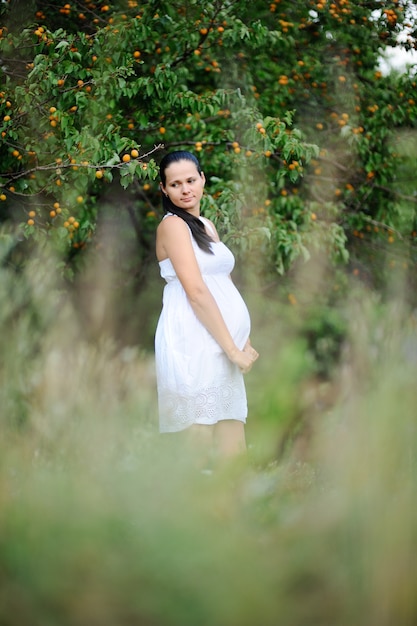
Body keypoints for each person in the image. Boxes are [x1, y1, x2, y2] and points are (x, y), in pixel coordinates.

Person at [154, 150, 259, 468]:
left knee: (232, 430)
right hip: (194, 337)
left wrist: (244, 338)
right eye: (175, 184)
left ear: (202, 179)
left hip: (221, 337)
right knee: (198, 430)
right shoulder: (172, 226)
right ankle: (190, 511)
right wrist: (232, 348)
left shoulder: (205, 225)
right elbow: (196, 292)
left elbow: (222, 284)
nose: (185, 189)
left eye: (190, 180)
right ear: (164, 190)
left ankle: (236, 508)